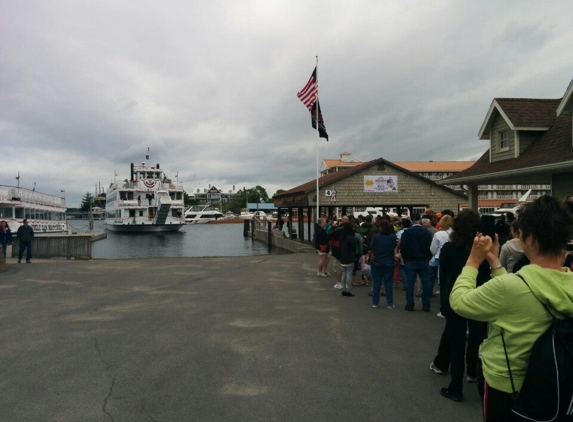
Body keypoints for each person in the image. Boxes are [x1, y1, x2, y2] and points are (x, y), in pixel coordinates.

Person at [449, 195, 573, 421]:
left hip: (508, 385)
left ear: (531, 238)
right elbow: (523, 289)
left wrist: (473, 261)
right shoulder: (567, 282)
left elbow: (459, 301)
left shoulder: (510, 287)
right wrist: (495, 263)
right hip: (556, 384)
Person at [437, 210, 489, 403]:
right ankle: (476, 377)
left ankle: (456, 387)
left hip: (455, 299)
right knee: (479, 340)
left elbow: (443, 276)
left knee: (456, 345)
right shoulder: (484, 250)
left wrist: (444, 304)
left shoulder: (449, 249)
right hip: (480, 299)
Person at [400, 213, 433, 311]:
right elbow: (430, 247)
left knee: (410, 284)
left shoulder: (406, 233)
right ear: (420, 220)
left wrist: (405, 259)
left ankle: (410, 304)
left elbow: (403, 248)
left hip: (410, 260)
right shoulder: (426, 232)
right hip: (424, 260)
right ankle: (426, 304)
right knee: (426, 284)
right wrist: (427, 257)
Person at [370, 220, 397, 309]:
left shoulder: (376, 236)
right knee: (388, 283)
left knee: (376, 282)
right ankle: (389, 303)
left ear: (381, 227)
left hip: (377, 261)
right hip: (389, 262)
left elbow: (372, 246)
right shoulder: (393, 237)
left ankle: (375, 302)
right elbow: (394, 246)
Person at [339, 222, 357, 297]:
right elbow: (354, 249)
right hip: (349, 257)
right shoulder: (351, 238)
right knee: (349, 273)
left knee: (344, 273)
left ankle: (343, 289)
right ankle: (348, 289)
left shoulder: (342, 237)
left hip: (343, 257)